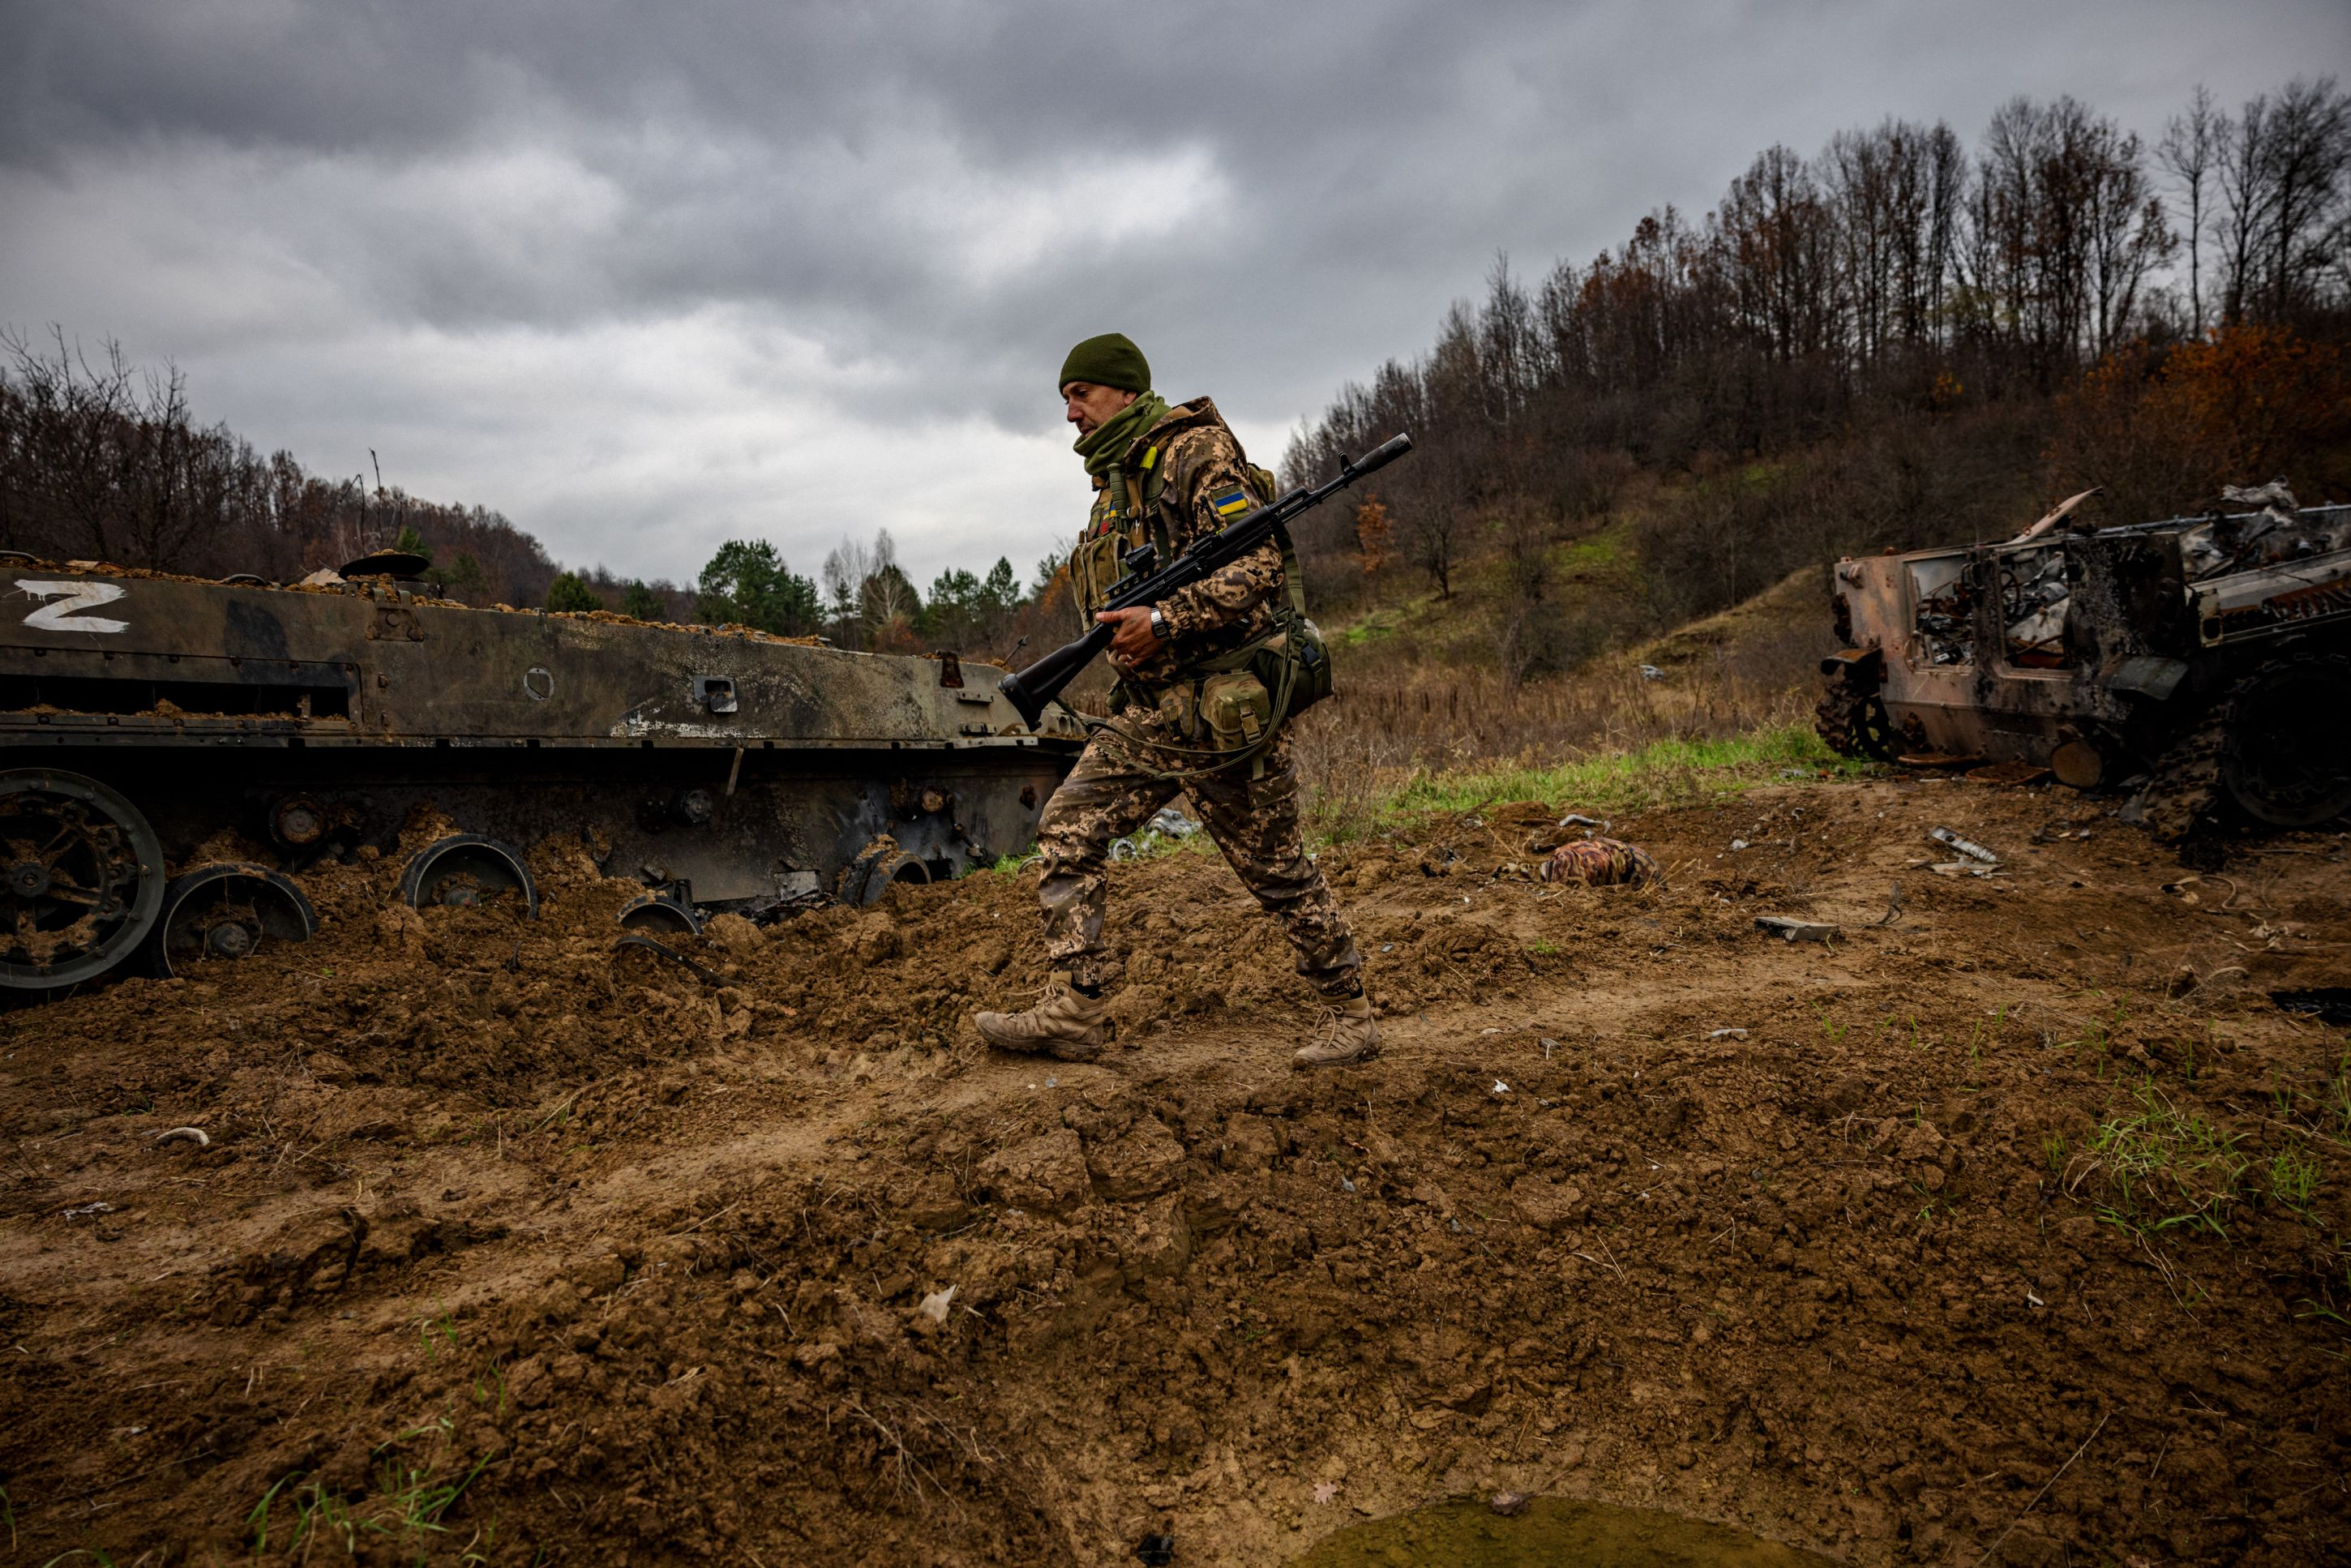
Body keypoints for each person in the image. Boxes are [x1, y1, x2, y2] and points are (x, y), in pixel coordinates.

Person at [973, 333, 1381, 1070]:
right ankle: (1076, 1008)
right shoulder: (1115, 483)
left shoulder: (1195, 453)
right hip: (1157, 712)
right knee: (1069, 824)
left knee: (1277, 869)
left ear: (1126, 393)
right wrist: (1133, 636)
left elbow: (1257, 567)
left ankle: (1351, 1013)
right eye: (1065, 398)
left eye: (1082, 395)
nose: (1070, 413)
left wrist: (1163, 621)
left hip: (1224, 712)